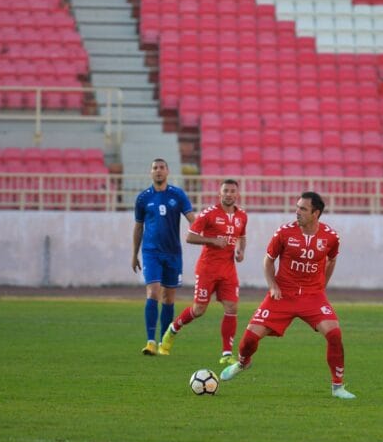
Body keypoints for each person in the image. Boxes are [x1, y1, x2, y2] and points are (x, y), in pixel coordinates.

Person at [220, 191, 356, 399]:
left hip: (312, 296)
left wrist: (322, 286)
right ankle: (242, 362)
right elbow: (268, 261)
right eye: (297, 207)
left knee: (334, 334)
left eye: (303, 209)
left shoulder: (330, 236)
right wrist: (273, 286)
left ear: (316, 213)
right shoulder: (284, 233)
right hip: (282, 294)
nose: (297, 212)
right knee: (248, 340)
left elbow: (332, 259)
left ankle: (338, 387)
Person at [158, 179, 247, 362]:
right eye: (226, 191)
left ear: (237, 194)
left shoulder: (242, 216)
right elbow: (190, 236)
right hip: (208, 269)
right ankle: (173, 329)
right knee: (199, 310)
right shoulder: (209, 214)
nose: (229, 194)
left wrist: (240, 250)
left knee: (232, 307)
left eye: (232, 191)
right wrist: (213, 241)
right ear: (220, 194)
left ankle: (226, 354)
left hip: (228, 270)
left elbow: (242, 236)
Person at [132, 158, 196, 355]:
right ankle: (150, 341)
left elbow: (192, 220)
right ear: (150, 172)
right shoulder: (143, 198)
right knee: (153, 292)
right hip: (151, 252)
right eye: (155, 168)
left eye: (161, 168)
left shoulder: (177, 195)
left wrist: (205, 236)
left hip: (173, 253)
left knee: (168, 298)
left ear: (167, 171)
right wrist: (134, 254)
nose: (158, 171)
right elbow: (138, 227)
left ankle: (163, 343)